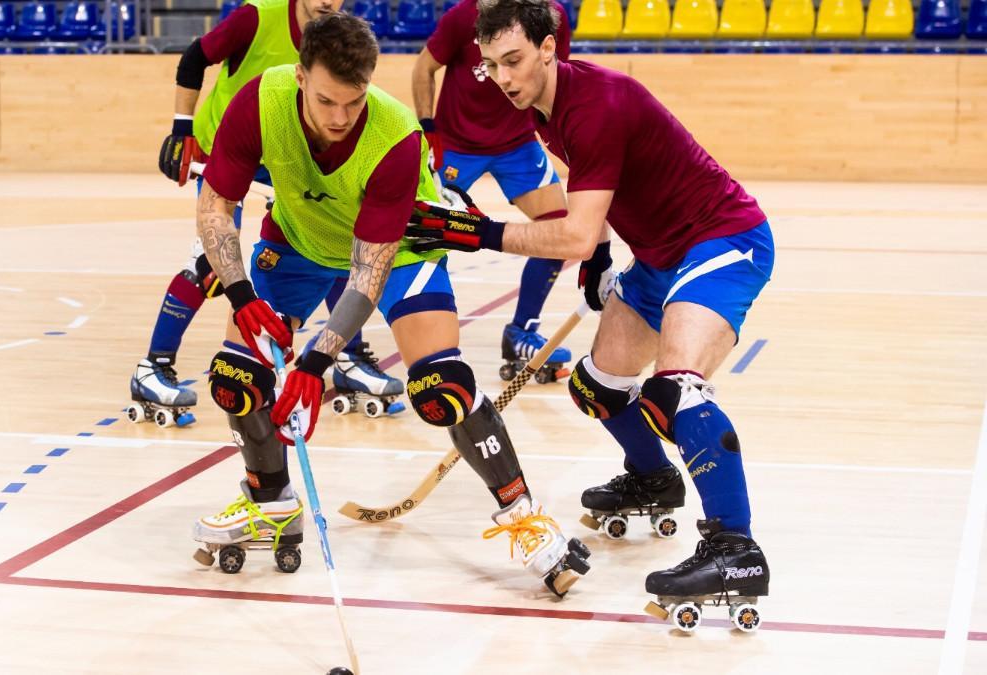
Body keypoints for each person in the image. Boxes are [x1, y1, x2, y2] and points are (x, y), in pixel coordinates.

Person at [192, 13, 590, 597]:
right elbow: (214, 208)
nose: (338, 118)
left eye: (352, 103)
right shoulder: (259, 101)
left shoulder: (396, 135)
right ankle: (270, 500)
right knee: (236, 377)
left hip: (402, 247)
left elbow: (367, 272)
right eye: (326, 100)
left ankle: (523, 514)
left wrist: (313, 365)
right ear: (300, 76)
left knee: (441, 387)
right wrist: (242, 294)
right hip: (299, 238)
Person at [408, 0, 773, 617]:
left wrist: (475, 232)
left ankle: (736, 548)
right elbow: (587, 208)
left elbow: (571, 232)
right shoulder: (547, 110)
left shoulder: (595, 104)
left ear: (549, 49)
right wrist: (602, 255)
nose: (504, 78)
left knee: (676, 390)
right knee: (598, 385)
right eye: (493, 65)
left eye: (516, 61)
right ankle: (654, 479)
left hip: (721, 239)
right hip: (659, 256)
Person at [130, 0, 401, 426]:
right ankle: (153, 367)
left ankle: (349, 358)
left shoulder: (339, 41)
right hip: (231, 147)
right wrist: (181, 129)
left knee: (329, 243)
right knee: (211, 262)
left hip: (285, 156)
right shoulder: (257, 16)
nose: (328, 2)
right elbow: (194, 57)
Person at [411, 0, 577, 383]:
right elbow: (424, 68)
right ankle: (417, 337)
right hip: (456, 144)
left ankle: (522, 331)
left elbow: (556, 79)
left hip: (517, 144)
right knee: (423, 233)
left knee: (560, 233)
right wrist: (428, 131)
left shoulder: (550, 16)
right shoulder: (461, 16)